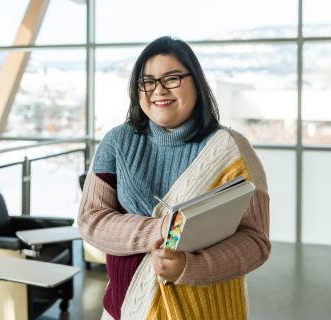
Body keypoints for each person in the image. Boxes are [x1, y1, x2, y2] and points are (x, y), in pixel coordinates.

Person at [78, 36, 270, 320]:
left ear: (197, 82)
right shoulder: (118, 142)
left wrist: (188, 267)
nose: (159, 90)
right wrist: (162, 231)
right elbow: (90, 220)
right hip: (126, 309)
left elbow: (256, 241)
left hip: (205, 311)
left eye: (172, 78)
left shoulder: (232, 151)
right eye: (147, 81)